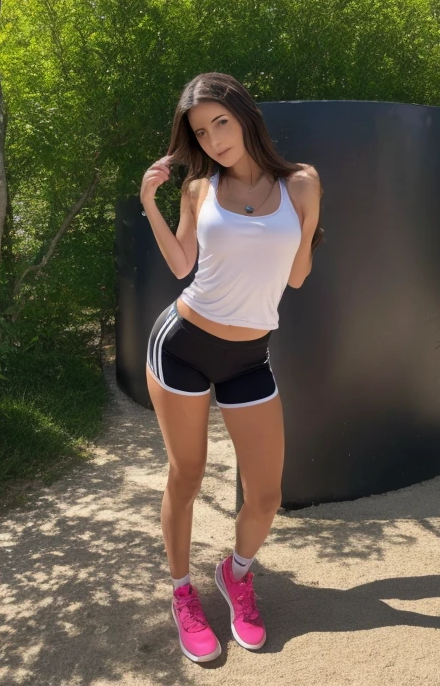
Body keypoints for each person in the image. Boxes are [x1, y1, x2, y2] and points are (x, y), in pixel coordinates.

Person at [139, 72, 323, 662]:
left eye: (221, 121)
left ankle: (235, 574)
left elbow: (296, 276)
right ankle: (181, 592)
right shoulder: (198, 188)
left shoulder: (301, 184)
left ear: (244, 115)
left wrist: (298, 237)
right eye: (201, 130)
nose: (215, 138)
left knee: (265, 495)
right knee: (187, 476)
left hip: (249, 355)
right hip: (183, 345)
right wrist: (150, 203)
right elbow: (181, 265)